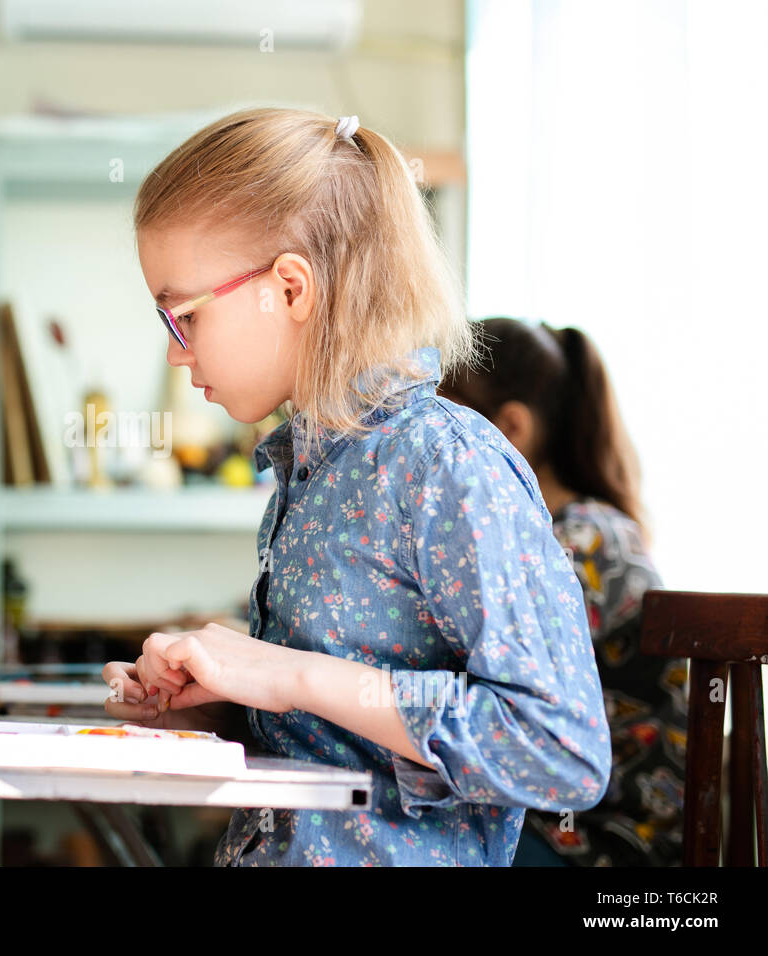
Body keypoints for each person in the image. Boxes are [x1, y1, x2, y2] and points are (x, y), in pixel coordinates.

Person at [101, 108, 611, 866]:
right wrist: (220, 707)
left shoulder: (448, 465)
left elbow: (559, 749)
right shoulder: (310, 470)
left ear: (290, 288)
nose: (176, 354)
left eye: (181, 317)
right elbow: (342, 739)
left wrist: (290, 674)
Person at [438, 317, 685, 867]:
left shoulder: (580, 539)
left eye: (448, 428)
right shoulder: (563, 529)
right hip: (559, 815)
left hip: (613, 838)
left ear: (512, 427)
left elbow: (473, 671)